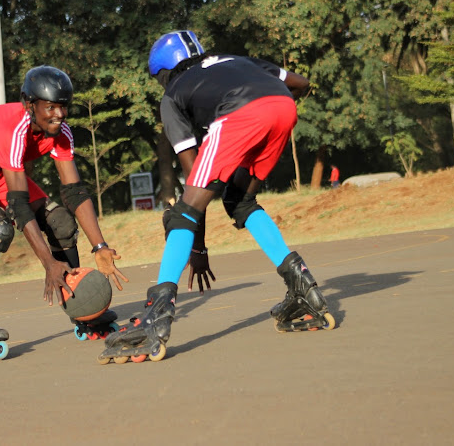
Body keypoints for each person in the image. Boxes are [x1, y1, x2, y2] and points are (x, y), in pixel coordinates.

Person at [99, 31, 335, 364]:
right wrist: (270, 110)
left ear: (164, 73)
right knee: (241, 202)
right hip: (282, 107)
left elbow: (194, 186)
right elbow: (301, 82)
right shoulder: (237, 60)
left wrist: (198, 249)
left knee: (180, 214)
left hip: (240, 116)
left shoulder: (172, 97)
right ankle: (302, 286)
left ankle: (156, 315)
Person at [0, 65, 129, 352]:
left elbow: (74, 192)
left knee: (61, 222)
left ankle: (79, 298)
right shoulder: (13, 129)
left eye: (63, 107)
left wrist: (100, 246)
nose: (58, 114)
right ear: (30, 104)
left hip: (0, 171)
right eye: (50, 107)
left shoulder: (61, 133)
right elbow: (19, 206)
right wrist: (48, 263)